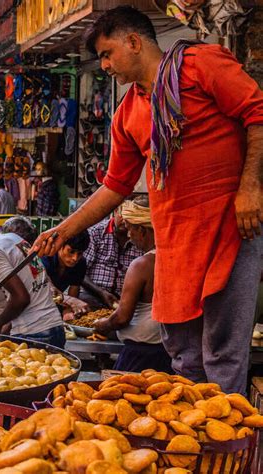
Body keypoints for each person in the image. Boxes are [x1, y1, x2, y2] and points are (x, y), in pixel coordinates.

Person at [35, 6, 263, 394]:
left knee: (223, 353)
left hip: (232, 225)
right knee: (185, 355)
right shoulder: (127, 112)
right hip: (175, 242)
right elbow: (115, 186)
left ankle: (227, 451)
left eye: (107, 54)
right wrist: (64, 228)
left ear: (134, 42)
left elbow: (257, 113)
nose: (104, 65)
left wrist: (251, 188)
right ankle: (193, 446)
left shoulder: (200, 64)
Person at [94, 196, 172, 373]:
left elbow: (121, 318)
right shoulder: (173, 258)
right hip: (167, 350)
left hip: (140, 353)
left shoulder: (141, 265)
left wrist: (102, 324)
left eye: (130, 230)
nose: (129, 235)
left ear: (142, 230)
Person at [81, 207, 143, 309]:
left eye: (129, 216)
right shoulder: (96, 232)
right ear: (115, 211)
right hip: (93, 294)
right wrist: (101, 293)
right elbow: (80, 273)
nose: (124, 219)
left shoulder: (139, 238)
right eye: (122, 213)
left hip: (125, 300)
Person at [41, 230, 91, 318]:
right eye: (71, 252)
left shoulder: (81, 263)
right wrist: (70, 301)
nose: (75, 258)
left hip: (55, 304)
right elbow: (45, 288)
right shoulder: (45, 258)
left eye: (79, 254)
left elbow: (74, 289)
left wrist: (68, 311)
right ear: (60, 246)